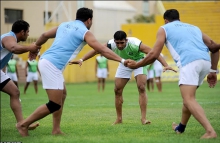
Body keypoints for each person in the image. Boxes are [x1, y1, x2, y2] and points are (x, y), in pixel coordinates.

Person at [15, 7, 131, 137]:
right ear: (89, 20)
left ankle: (56, 129)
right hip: (51, 65)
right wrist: (122, 60)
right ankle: (23, 124)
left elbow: (44, 35)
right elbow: (102, 50)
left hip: (49, 62)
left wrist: (35, 48)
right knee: (54, 104)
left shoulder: (64, 25)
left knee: (63, 94)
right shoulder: (85, 31)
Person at [126, 9, 219, 139]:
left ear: (165, 20)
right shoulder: (194, 28)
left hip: (189, 62)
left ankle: (210, 131)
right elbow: (214, 47)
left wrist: (136, 65)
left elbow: (153, 54)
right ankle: (180, 128)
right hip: (205, 61)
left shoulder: (164, 28)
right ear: (179, 19)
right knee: (188, 98)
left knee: (189, 99)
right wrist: (213, 71)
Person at [69, 30, 176, 125]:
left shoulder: (135, 43)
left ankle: (143, 119)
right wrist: (81, 59)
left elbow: (154, 53)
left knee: (141, 87)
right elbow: (96, 50)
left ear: (126, 40)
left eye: (122, 43)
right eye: (117, 43)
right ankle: (119, 119)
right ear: (114, 41)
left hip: (139, 61)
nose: (119, 45)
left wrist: (165, 65)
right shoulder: (111, 44)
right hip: (124, 62)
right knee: (117, 90)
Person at [0, 20, 41, 131]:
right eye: (28, 32)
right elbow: (13, 48)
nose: (28, 34)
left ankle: (21, 124)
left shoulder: (12, 39)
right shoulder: (8, 37)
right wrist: (30, 48)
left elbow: (12, 50)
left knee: (15, 92)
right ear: (22, 32)